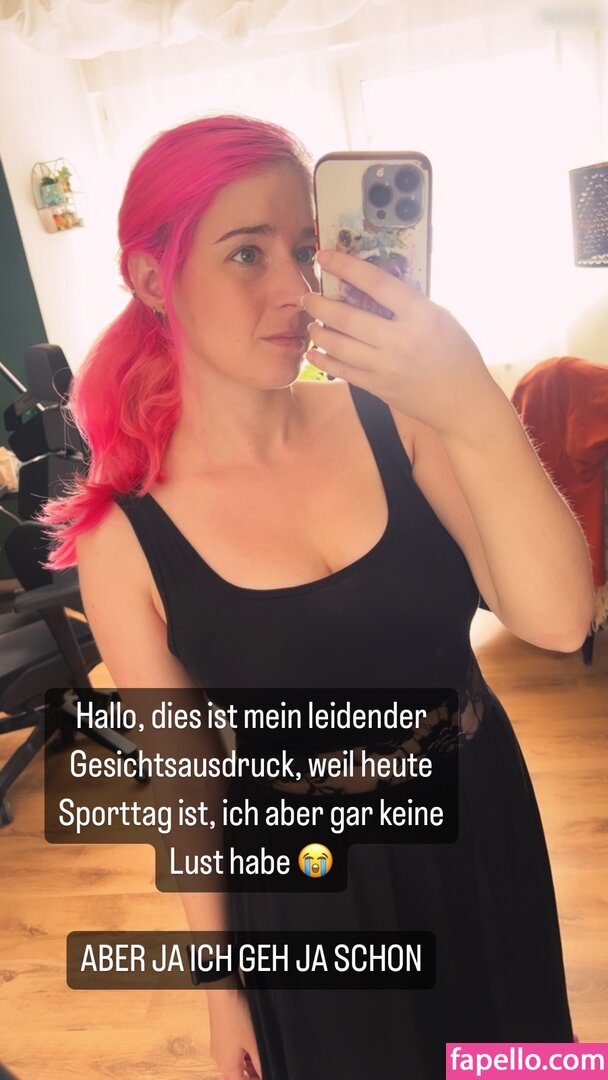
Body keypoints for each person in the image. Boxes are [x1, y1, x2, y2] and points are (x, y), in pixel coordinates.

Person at [42, 115, 594, 1080]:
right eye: (245, 253)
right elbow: (187, 779)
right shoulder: (123, 539)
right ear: (150, 279)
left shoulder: (397, 421)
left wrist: (467, 397)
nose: (294, 289)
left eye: (305, 249)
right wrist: (222, 990)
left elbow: (558, 620)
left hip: (481, 832)